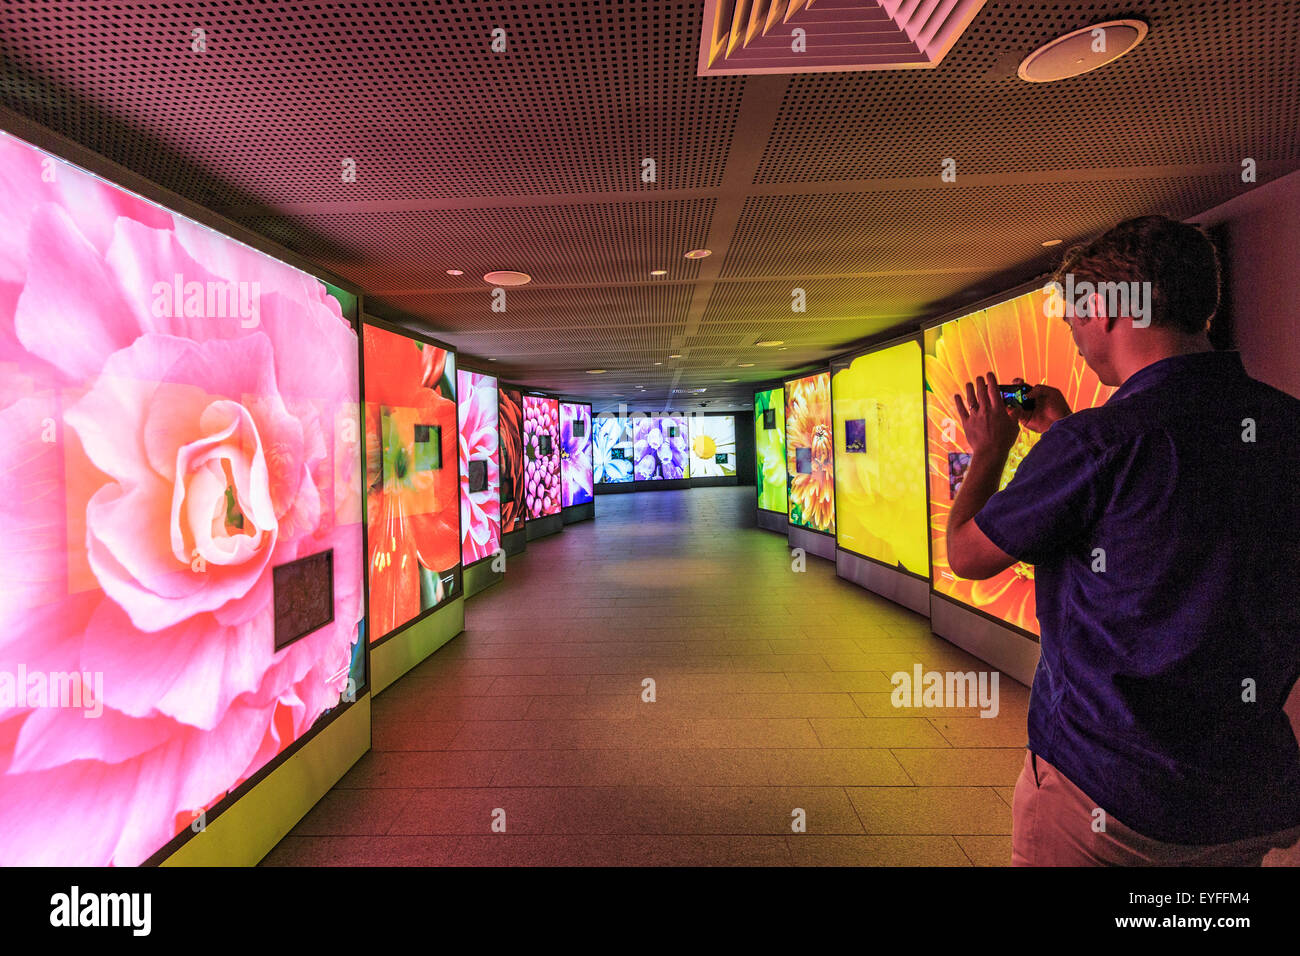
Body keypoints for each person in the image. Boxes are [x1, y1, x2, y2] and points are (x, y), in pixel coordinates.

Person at [945, 214, 1300, 865]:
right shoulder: (1284, 424)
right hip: (1242, 794)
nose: (1074, 335)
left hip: (1109, 797)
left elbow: (968, 551)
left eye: (1075, 316)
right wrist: (1062, 432)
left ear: (1108, 309)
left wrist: (986, 453)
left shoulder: (1100, 441)